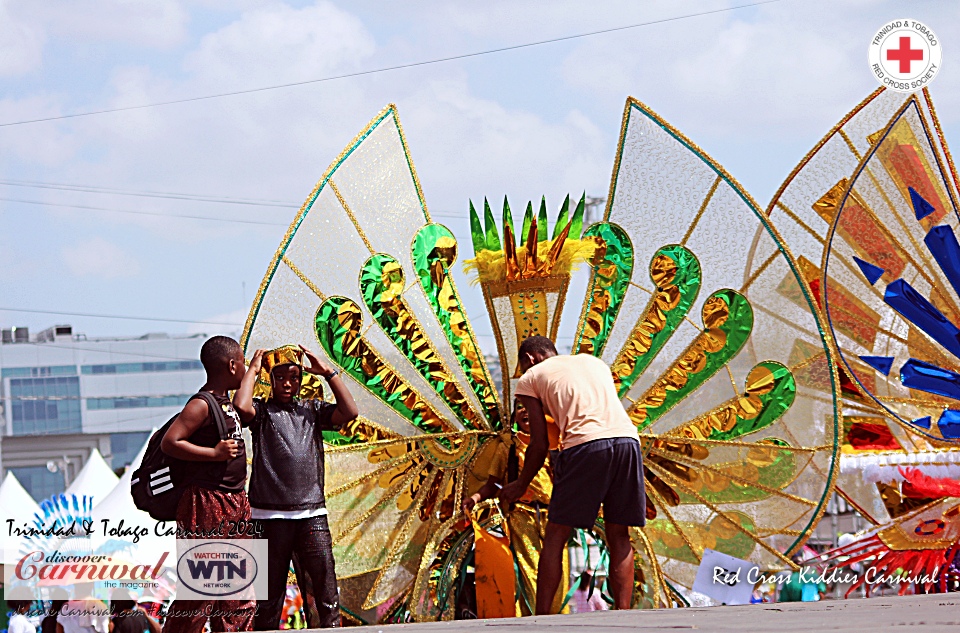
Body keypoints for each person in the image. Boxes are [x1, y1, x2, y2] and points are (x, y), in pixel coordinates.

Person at [498, 336, 645, 614]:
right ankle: (624, 615)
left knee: (556, 534)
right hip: (628, 442)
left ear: (530, 359)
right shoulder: (594, 363)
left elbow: (539, 443)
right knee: (619, 533)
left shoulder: (530, 377)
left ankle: (541, 617)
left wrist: (521, 483)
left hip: (585, 446)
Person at [233, 345, 359, 630]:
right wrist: (253, 368)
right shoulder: (262, 412)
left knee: (325, 593)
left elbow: (350, 411)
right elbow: (240, 407)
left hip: (311, 514)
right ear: (271, 380)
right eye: (281, 378)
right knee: (268, 598)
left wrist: (329, 373)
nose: (288, 384)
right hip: (268, 518)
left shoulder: (312, 410)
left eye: (294, 377)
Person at [160, 335, 258, 632]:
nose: (242, 368)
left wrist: (253, 370)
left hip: (235, 501)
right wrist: (213, 453)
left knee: (239, 591)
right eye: (241, 362)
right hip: (206, 503)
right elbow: (170, 442)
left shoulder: (227, 403)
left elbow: (247, 407)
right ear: (231, 365)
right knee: (202, 590)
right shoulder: (201, 404)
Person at [462, 402, 567, 615]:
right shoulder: (508, 446)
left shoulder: (557, 442)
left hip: (555, 516)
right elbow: (493, 484)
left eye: (529, 407)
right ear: (513, 416)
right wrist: (474, 498)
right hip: (521, 517)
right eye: (519, 407)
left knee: (559, 573)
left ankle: (557, 621)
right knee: (531, 573)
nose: (524, 411)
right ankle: (535, 622)